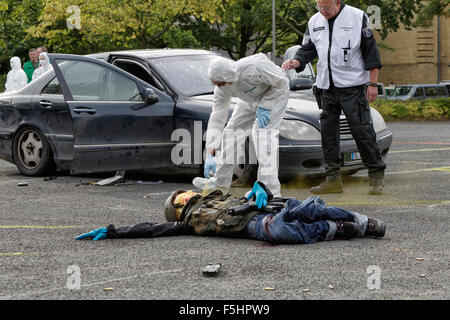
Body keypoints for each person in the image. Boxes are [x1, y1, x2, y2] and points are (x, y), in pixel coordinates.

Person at [282, 0, 386, 195]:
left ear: (338, 2)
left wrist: (372, 85)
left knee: (362, 131)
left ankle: (376, 176)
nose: (323, 11)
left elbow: (371, 52)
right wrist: (297, 61)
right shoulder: (314, 21)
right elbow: (308, 49)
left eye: (327, 7)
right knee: (328, 135)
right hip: (326, 87)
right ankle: (332, 179)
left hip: (353, 87)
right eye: (320, 7)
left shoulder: (357, 17)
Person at [75, 182, 386, 244]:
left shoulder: (222, 192)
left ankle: (357, 221)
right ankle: (341, 229)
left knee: (304, 207)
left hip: (274, 207)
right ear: (179, 209)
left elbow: (256, 187)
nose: (186, 193)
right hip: (261, 225)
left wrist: (260, 186)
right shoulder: (189, 225)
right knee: (282, 231)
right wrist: (114, 230)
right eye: (180, 197)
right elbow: (152, 229)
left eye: (182, 192)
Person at [192, 53, 290, 201]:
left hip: (275, 96)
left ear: (229, 77)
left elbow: (281, 82)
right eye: (216, 84)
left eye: (220, 83)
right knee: (230, 132)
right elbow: (217, 116)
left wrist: (265, 105)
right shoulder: (222, 86)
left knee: (263, 137)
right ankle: (219, 184)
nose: (218, 87)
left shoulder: (256, 66)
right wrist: (210, 151)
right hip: (250, 99)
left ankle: (269, 190)